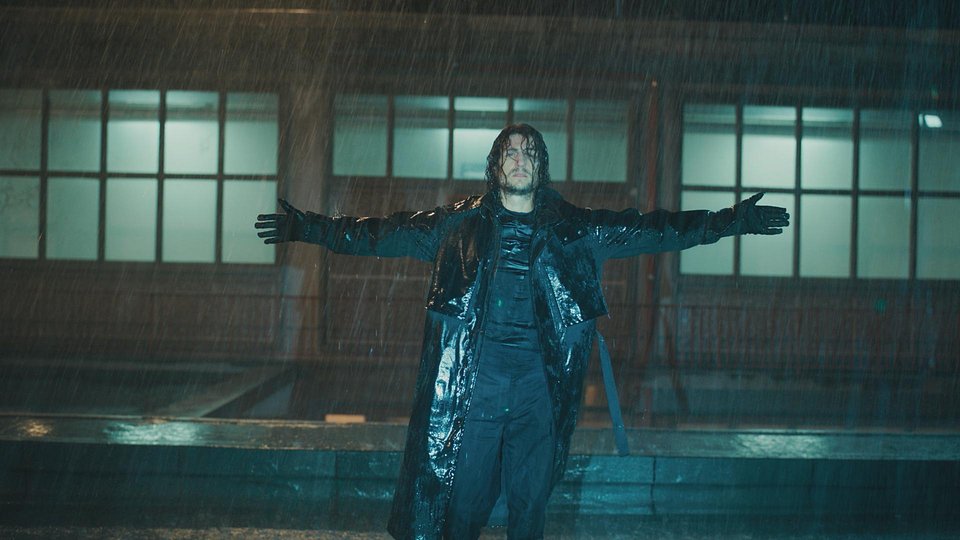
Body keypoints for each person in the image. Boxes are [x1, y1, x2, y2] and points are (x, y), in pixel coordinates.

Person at [255, 124, 789, 540]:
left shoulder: (575, 229)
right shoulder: (455, 226)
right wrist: (308, 228)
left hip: (540, 391)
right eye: (509, 152)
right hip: (475, 391)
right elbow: (377, 234)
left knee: (530, 509)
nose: (519, 159)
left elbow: (656, 229)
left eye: (528, 153)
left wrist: (731, 220)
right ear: (495, 166)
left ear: (540, 167)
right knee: (462, 507)